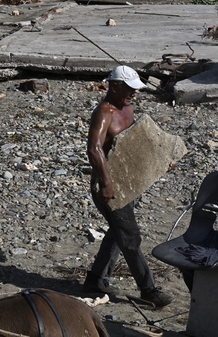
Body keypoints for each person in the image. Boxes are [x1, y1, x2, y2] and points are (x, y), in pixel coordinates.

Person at [83, 65, 174, 308]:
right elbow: (94, 149)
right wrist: (106, 184)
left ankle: (95, 280)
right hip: (108, 184)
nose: (134, 94)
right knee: (130, 236)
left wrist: (163, 160)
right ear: (114, 86)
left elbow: (135, 143)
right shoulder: (104, 112)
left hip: (127, 182)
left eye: (136, 89)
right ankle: (149, 290)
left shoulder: (127, 107)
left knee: (118, 232)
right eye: (130, 89)